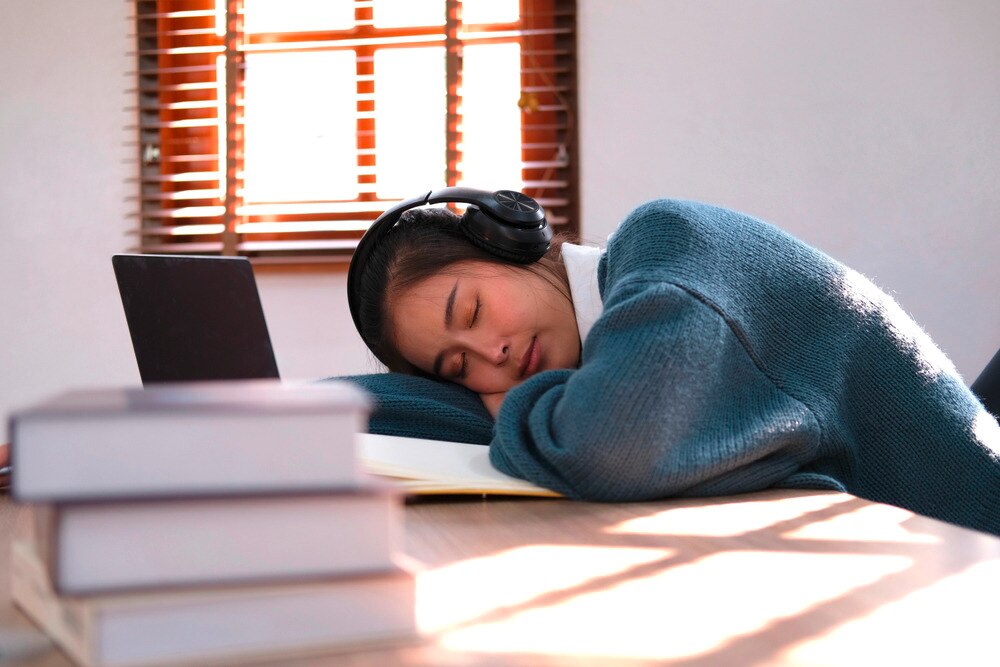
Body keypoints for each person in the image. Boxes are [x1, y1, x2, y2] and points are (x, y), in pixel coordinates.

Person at [350, 196, 1000, 536]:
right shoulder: (602, 351)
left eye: (473, 310)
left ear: (511, 241)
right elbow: (386, 418)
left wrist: (513, 408)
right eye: (457, 365)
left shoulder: (669, 247)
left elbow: (602, 444)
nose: (490, 352)